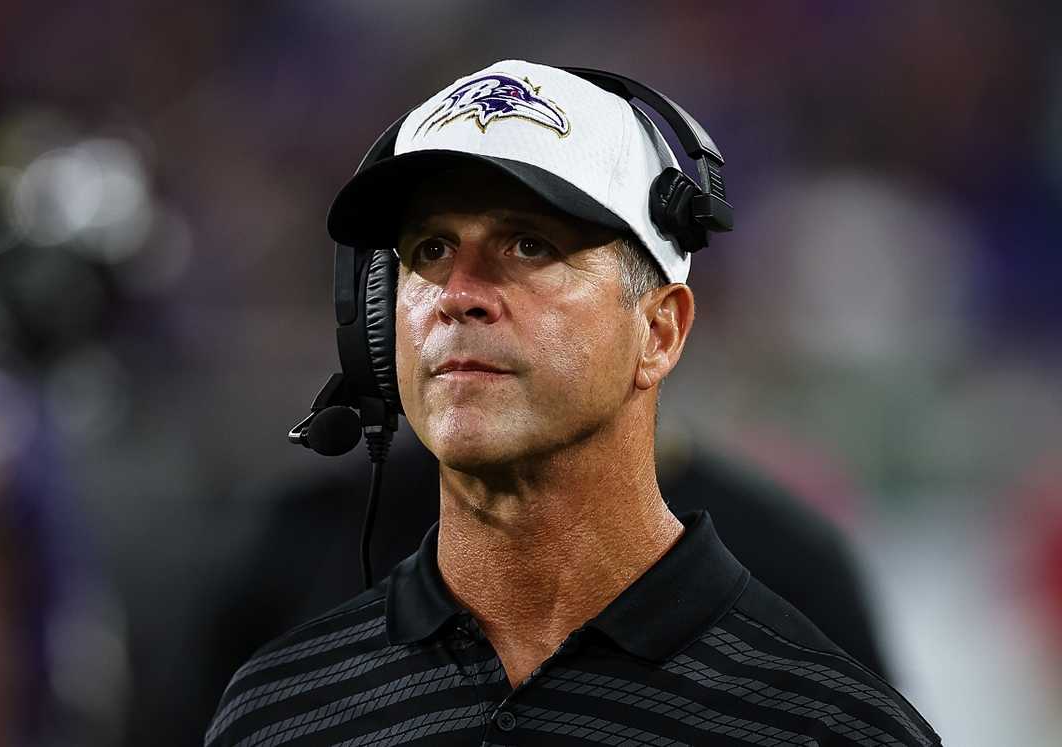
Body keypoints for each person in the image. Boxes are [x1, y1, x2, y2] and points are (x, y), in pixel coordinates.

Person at [206, 60, 940, 746]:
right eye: (428, 250)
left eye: (528, 245)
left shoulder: (831, 726)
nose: (457, 296)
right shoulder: (276, 710)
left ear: (660, 329)